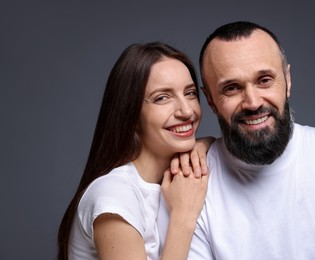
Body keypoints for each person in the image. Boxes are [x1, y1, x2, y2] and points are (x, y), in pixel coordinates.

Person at [183, 21, 315, 259]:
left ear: (287, 80)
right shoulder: (191, 186)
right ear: (210, 100)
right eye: (232, 88)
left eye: (264, 80)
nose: (253, 102)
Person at [57, 42, 212, 260]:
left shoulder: (178, 177)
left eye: (190, 93)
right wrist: (182, 218)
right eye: (162, 98)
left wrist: (204, 143)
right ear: (131, 115)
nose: (187, 111)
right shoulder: (114, 194)